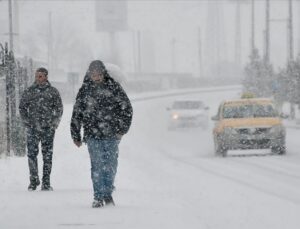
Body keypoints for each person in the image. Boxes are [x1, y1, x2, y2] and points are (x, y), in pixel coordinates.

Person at [71, 60, 133, 208]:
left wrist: (122, 129)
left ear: (103, 73)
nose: (96, 76)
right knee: (97, 165)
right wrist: (75, 134)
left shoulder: (114, 88)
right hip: (93, 135)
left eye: (99, 73)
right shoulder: (85, 90)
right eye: (93, 74)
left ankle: (107, 193)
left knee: (110, 165)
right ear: (89, 74)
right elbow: (77, 113)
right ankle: (98, 196)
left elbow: (127, 109)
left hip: (111, 135)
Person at [19, 67, 63, 191]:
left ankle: (46, 182)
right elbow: (22, 107)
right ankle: (33, 180)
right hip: (32, 128)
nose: (38, 78)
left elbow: (59, 109)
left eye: (40, 76)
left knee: (47, 155)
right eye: (36, 75)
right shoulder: (29, 91)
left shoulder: (53, 92)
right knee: (32, 155)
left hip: (48, 128)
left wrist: (54, 123)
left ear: (46, 77)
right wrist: (27, 122)